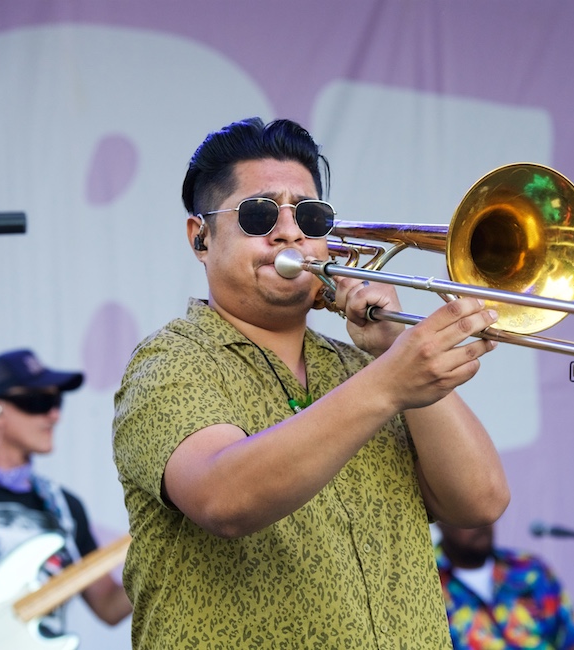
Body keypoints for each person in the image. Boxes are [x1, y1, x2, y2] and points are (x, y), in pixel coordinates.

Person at [112, 116, 510, 648]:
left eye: (310, 215)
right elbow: (223, 497)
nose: (289, 231)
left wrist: (393, 347)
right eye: (257, 215)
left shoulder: (364, 369)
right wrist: (389, 382)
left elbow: (479, 502)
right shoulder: (171, 361)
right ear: (200, 237)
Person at [0, 348, 132, 645]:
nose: (54, 415)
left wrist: (169, 558)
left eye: (56, 401)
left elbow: (108, 606)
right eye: (39, 402)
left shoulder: (65, 508)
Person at [436, 521, 574, 650]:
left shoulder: (529, 568)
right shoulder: (426, 587)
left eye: (487, 511)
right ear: (438, 518)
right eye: (467, 511)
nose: (480, 521)